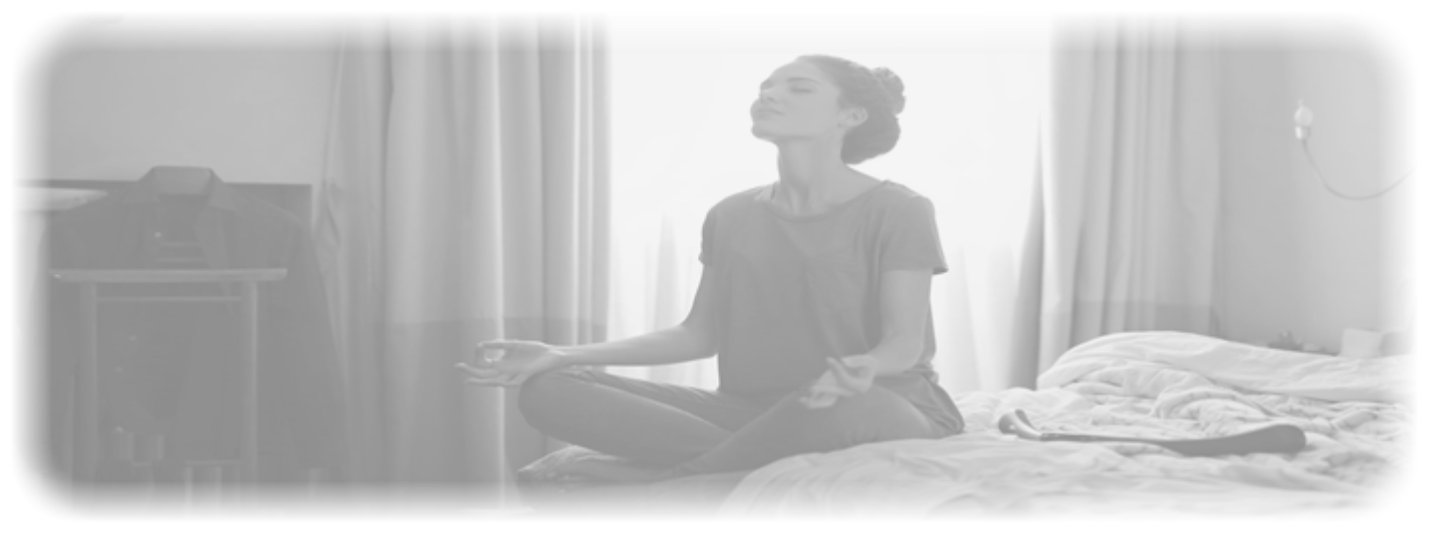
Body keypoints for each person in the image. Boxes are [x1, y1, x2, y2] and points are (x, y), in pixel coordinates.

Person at [459, 54, 964, 490]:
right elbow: (698, 334)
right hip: (751, 411)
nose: (769, 94)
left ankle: (675, 476)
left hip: (874, 403)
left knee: (847, 405)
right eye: (766, 86)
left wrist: (867, 366)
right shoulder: (731, 214)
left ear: (850, 116)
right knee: (550, 389)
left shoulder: (900, 209)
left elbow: (903, 344)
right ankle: (743, 458)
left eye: (798, 87)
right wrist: (561, 354)